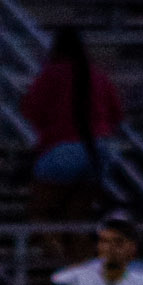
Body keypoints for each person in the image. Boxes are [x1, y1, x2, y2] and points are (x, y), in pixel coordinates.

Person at [22, 27, 125, 256]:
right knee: (77, 218)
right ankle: (80, 260)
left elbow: (31, 109)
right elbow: (117, 114)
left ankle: (57, 257)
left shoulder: (52, 74)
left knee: (40, 213)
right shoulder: (97, 75)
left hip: (62, 149)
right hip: (97, 151)